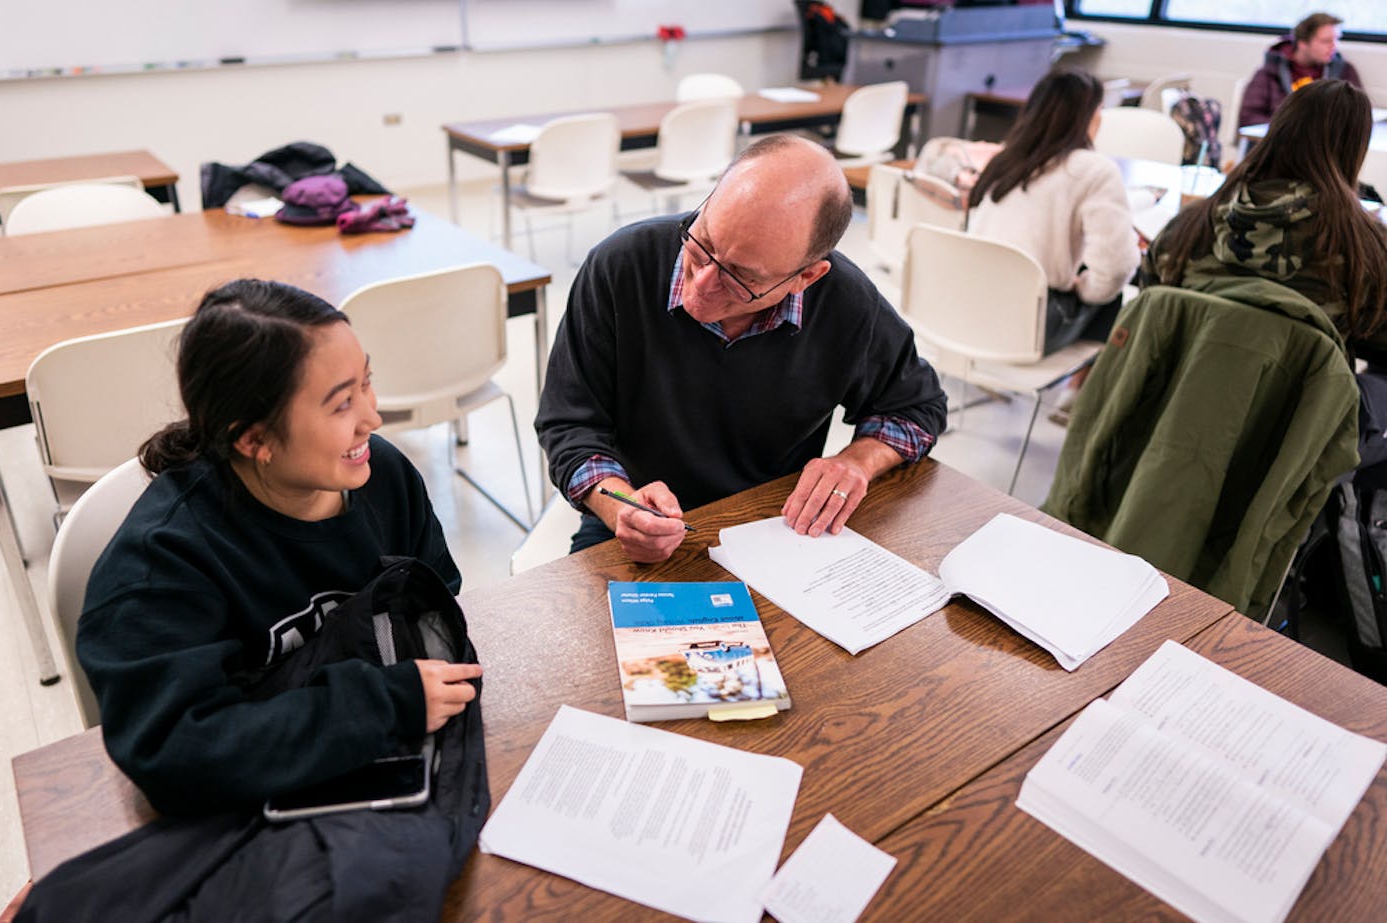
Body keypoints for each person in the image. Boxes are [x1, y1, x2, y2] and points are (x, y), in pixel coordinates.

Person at [75, 279, 482, 817]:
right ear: (254, 440)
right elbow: (174, 752)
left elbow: (435, 604)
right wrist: (384, 704)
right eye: (342, 405)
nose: (372, 418)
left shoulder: (384, 478)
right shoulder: (161, 563)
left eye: (367, 383)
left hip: (393, 769)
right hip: (244, 818)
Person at [535, 134, 947, 563]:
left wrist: (858, 461)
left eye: (742, 277)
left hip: (773, 527)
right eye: (704, 244)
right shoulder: (622, 266)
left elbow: (917, 409)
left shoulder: (847, 302)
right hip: (631, 523)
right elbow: (569, 425)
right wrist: (622, 506)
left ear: (807, 276)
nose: (700, 288)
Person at [1144, 79, 1387, 363]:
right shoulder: (1364, 244)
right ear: (1354, 149)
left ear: (1277, 130)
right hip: (1302, 404)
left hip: (1186, 394)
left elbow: (1153, 307)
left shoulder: (1188, 226)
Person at [965, 67, 1140, 356]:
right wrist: (1083, 289)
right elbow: (1117, 266)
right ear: (1090, 115)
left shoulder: (1006, 159)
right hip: (1026, 326)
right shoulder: (1094, 169)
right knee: (1113, 292)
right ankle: (1078, 392)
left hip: (966, 309)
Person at [1239, 12, 1363, 129]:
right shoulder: (1269, 72)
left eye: (1336, 39)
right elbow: (1248, 118)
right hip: (1280, 144)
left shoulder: (1344, 71)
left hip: (1324, 146)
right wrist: (1292, 128)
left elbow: (1357, 115)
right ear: (1302, 43)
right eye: (1325, 41)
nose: (1334, 46)